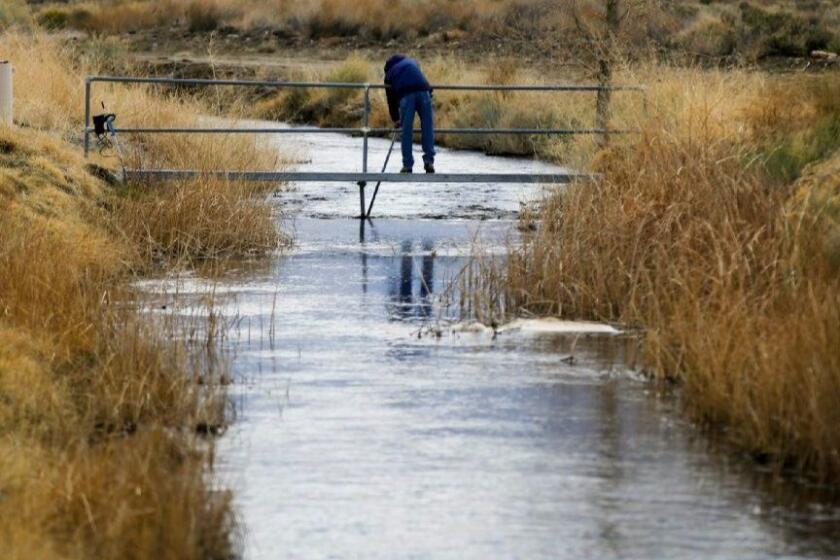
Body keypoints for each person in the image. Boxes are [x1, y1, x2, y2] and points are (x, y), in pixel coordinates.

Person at [384, 54, 435, 174]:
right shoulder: (412, 62)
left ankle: (407, 165)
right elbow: (423, 80)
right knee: (427, 127)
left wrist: (396, 119)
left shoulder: (390, 73)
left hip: (407, 95)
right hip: (424, 92)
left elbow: (390, 99)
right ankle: (429, 162)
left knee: (406, 131)